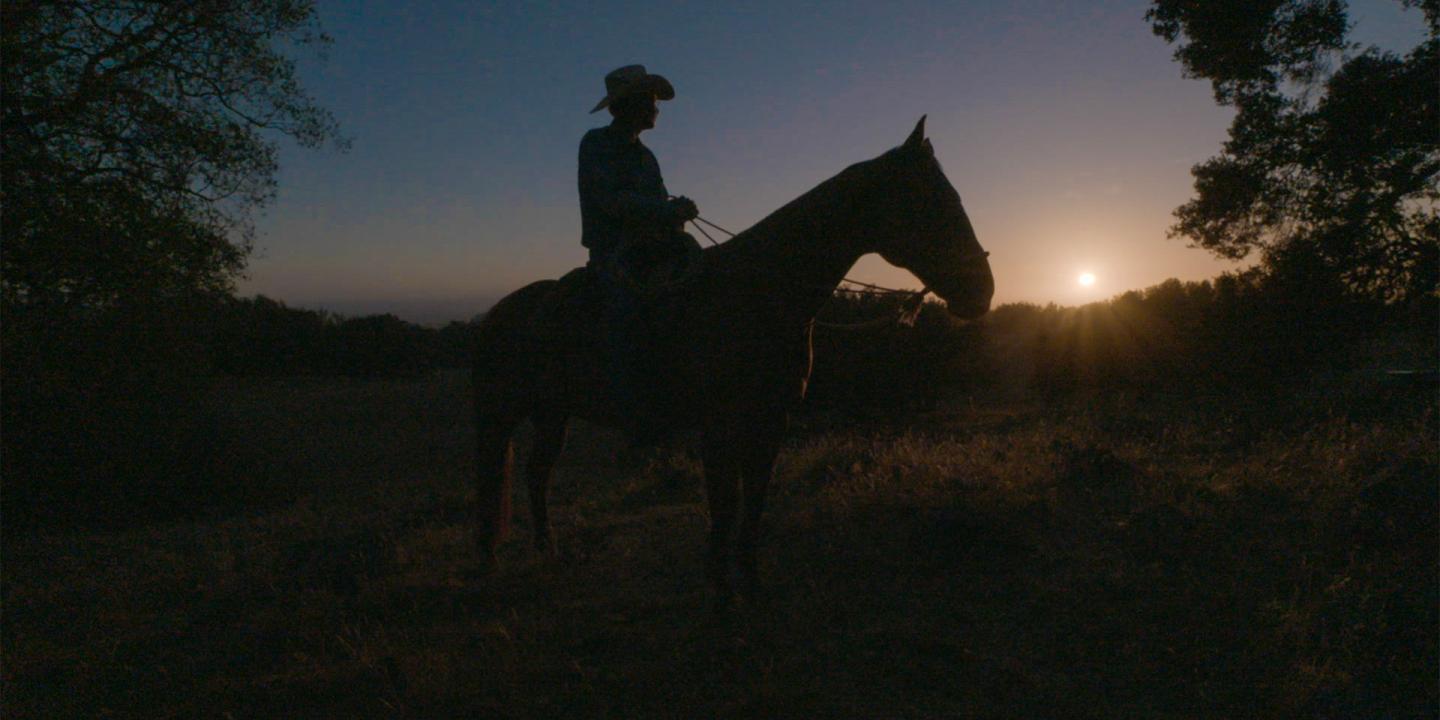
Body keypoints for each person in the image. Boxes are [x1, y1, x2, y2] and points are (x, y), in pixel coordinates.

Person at [578, 65, 699, 434]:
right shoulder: (596, 143)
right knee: (624, 312)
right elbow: (609, 201)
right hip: (616, 253)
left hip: (655, 249)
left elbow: (656, 203)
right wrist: (666, 210)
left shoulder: (646, 156)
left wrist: (675, 212)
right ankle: (627, 407)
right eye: (649, 101)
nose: (656, 108)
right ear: (626, 106)